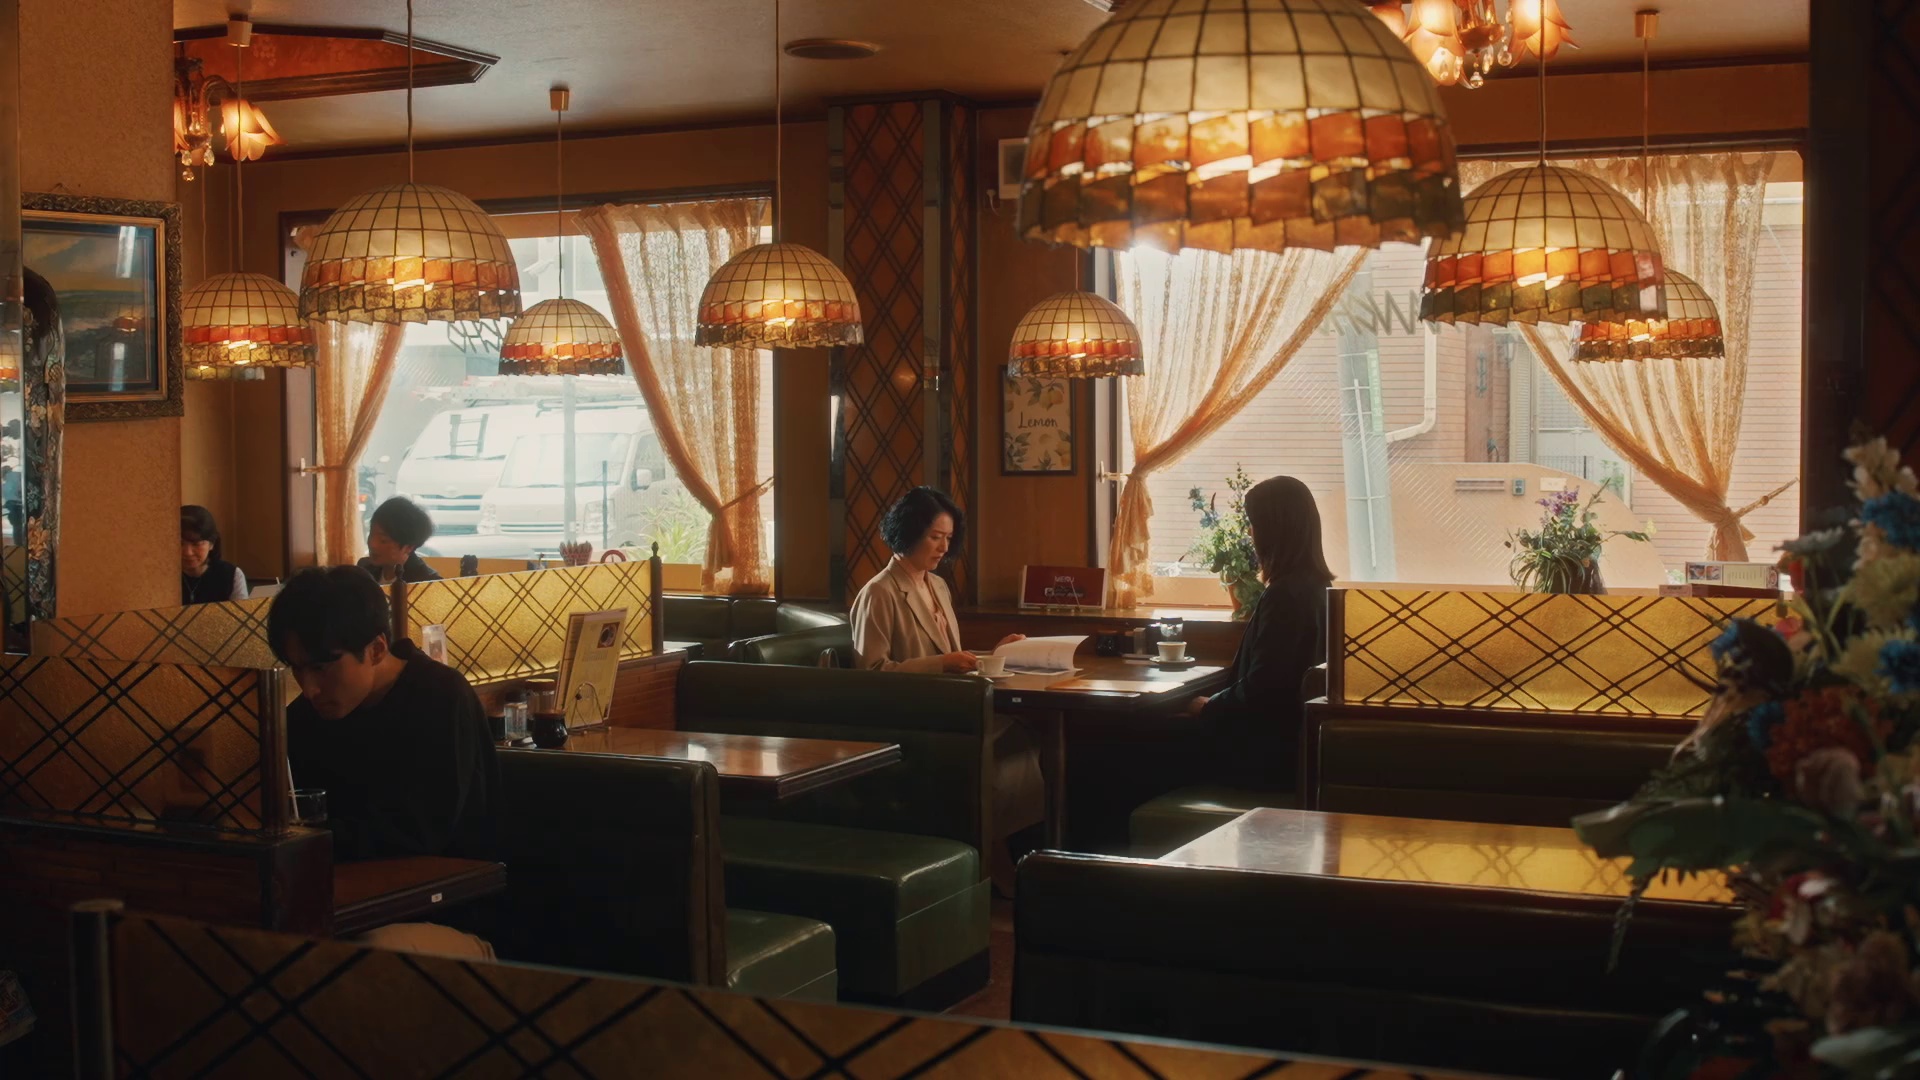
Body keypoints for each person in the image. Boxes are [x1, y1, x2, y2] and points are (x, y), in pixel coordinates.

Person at [273, 566, 498, 957]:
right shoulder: (308, 716)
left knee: (367, 953)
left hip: (447, 918)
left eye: (321, 668)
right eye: (297, 668)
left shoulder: (441, 698)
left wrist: (304, 839)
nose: (308, 688)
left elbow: (418, 832)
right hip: (342, 911)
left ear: (376, 649)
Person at [849, 486, 1042, 893]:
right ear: (908, 532)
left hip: (951, 708)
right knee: (1003, 742)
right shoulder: (879, 593)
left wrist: (995, 653)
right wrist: (942, 664)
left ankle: (1000, 848)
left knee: (1022, 735)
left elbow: (951, 654)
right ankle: (993, 856)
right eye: (935, 537)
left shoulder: (937, 586)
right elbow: (871, 674)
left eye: (948, 538)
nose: (943, 547)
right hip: (912, 719)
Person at [1182, 476, 1334, 792]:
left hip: (1261, 758)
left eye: (1253, 524)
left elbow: (1265, 687)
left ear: (1272, 531)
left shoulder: (1284, 596)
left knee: (1134, 745)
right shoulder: (1319, 588)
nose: (1250, 534)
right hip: (1292, 748)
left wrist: (1209, 706)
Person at [359, 496, 443, 584]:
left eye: (383, 540)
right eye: (371, 534)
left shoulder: (427, 582)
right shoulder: (364, 568)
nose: (373, 544)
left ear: (409, 547)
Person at [181, 505, 248, 605]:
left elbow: (241, 613)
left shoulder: (232, 575)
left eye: (196, 544)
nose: (187, 552)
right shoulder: (162, 575)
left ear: (212, 544)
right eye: (180, 543)